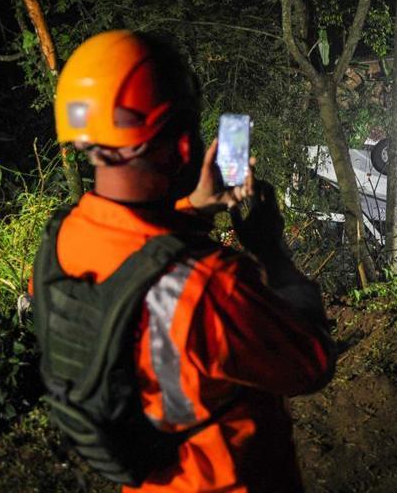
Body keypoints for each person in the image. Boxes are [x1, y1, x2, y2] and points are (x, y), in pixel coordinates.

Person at [32, 30, 336, 492]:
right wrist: (274, 256)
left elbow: (133, 269)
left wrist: (193, 209)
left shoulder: (61, 240)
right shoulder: (208, 285)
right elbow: (312, 363)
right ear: (180, 143)